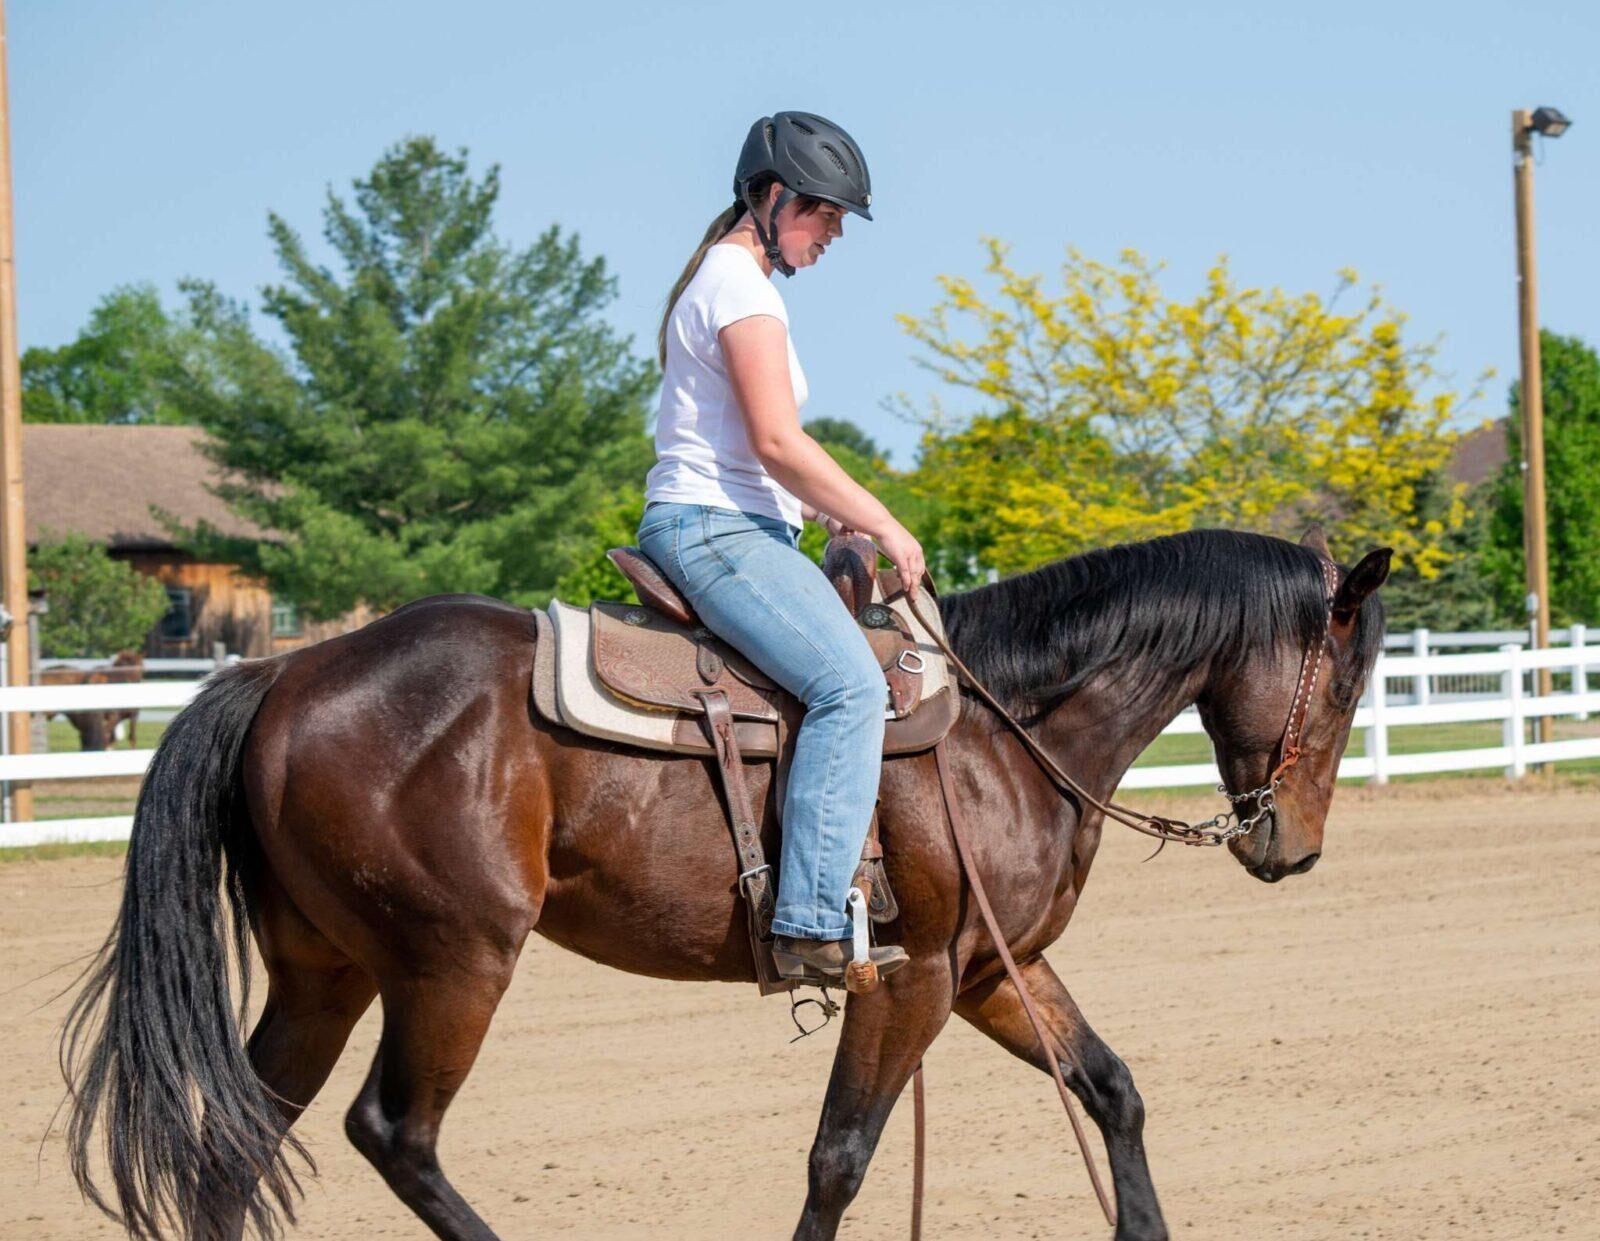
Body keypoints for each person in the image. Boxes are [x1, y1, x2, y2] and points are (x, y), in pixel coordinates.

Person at [637, 112, 923, 985]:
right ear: (770, 197)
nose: (833, 234)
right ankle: (809, 920)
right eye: (823, 214)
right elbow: (775, 440)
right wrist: (883, 521)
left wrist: (819, 511)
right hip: (714, 528)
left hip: (735, 520)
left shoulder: (734, 281)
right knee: (851, 686)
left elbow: (746, 446)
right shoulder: (742, 287)